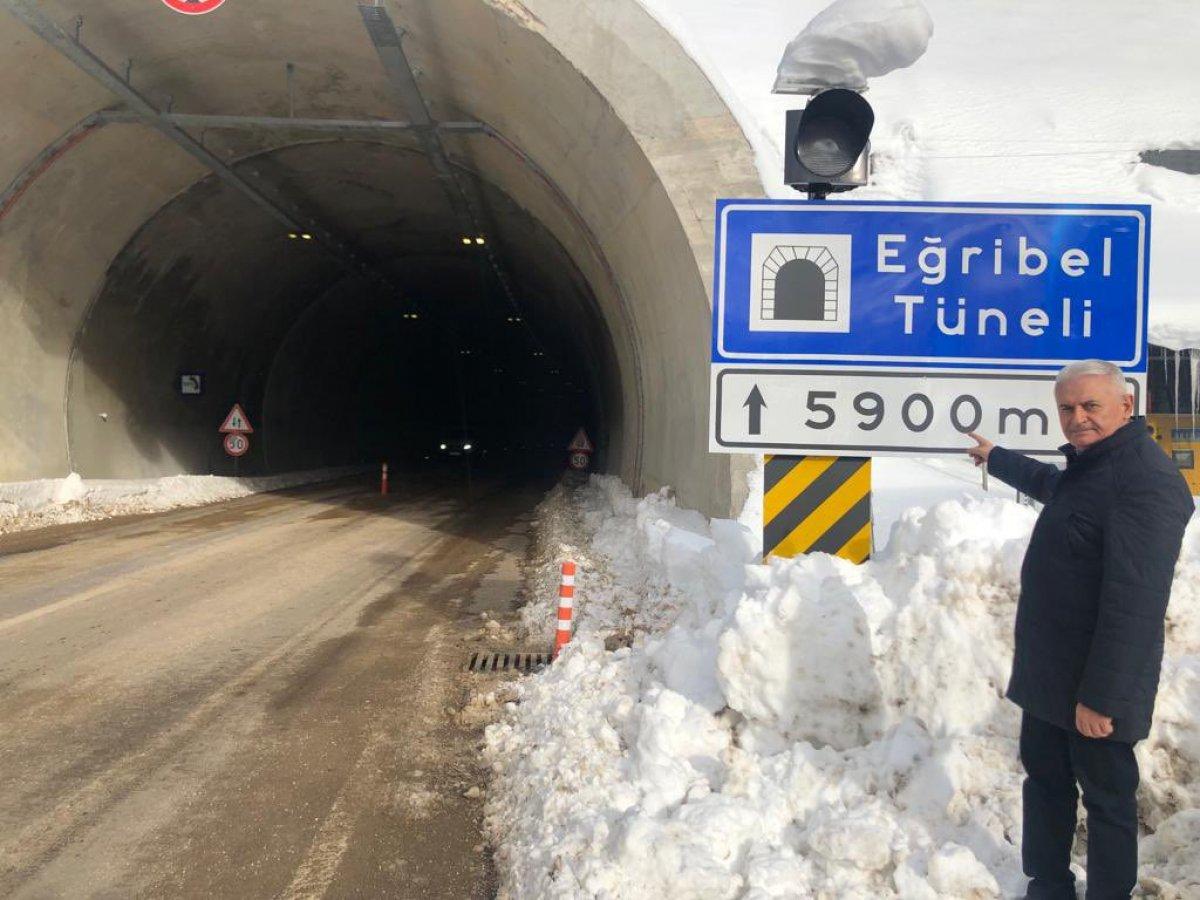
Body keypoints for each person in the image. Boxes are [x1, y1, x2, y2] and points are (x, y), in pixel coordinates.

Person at [966, 359, 1193, 900]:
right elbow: (1058, 488)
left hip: (1098, 683)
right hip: (1052, 672)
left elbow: (1135, 605)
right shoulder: (1096, 463)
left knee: (1107, 800)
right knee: (1045, 784)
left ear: (1126, 405)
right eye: (1067, 408)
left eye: (1091, 405)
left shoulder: (1146, 482)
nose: (1077, 418)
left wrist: (1102, 698)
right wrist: (998, 458)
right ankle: (1048, 885)